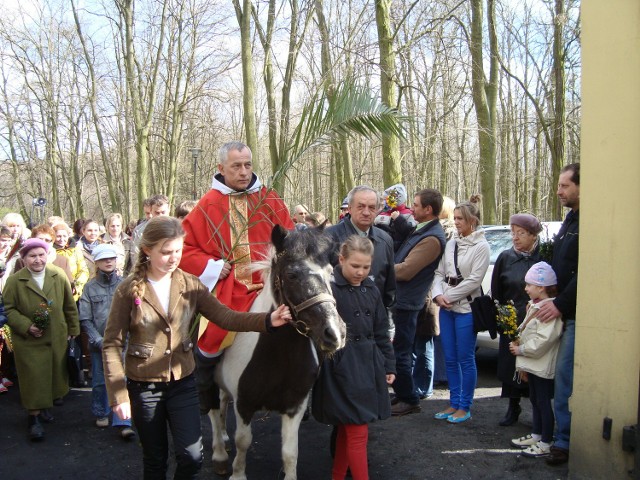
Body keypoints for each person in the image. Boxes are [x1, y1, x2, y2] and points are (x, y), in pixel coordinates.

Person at [102, 216, 291, 479]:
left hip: (183, 383)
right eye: (166, 252)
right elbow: (112, 343)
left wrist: (267, 320)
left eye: (178, 251)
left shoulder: (190, 284)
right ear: (147, 250)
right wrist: (118, 394)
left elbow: (226, 316)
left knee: (191, 458)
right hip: (144, 386)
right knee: (155, 460)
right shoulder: (127, 290)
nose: (174, 258)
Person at [179, 141, 294, 413]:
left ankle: (301, 388)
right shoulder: (208, 204)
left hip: (273, 286)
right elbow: (183, 248)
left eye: (247, 165)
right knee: (214, 336)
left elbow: (291, 236)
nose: (244, 172)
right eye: (236, 166)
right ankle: (204, 385)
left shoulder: (269, 198)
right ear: (221, 168)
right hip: (232, 288)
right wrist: (211, 266)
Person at [312, 235, 396, 480]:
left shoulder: (371, 288)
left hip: (368, 364)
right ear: (341, 260)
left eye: (366, 267)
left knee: (349, 431)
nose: (361, 272)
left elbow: (381, 330)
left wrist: (389, 363)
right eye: (355, 266)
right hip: (340, 366)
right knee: (357, 431)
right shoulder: (328, 287)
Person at [3, 238, 80, 441]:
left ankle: (45, 406)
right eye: (32, 256)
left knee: (53, 374)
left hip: (55, 336)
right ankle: (33, 418)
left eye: (41, 255)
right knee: (33, 378)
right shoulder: (15, 281)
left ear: (47, 255)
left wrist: (73, 328)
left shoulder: (58, 274)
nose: (38, 260)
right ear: (24, 258)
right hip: (28, 340)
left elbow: (69, 306)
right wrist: (26, 325)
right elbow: (8, 309)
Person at [535, 163, 580, 466]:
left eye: (565, 185)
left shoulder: (590, 221)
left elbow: (585, 270)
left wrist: (561, 303)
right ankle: (551, 434)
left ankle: (563, 442)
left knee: (564, 379)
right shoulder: (569, 219)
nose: (559, 191)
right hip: (559, 309)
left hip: (573, 313)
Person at [432, 196, 490, 423]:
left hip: (466, 309)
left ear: (472, 221)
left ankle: (464, 406)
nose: (455, 222)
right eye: (454, 218)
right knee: (450, 357)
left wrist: (448, 296)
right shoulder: (451, 243)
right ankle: (453, 402)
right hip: (446, 308)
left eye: (460, 219)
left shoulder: (482, 246)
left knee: (465, 358)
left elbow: (474, 280)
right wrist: (438, 295)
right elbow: (439, 273)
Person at [390, 189, 446, 416]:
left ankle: (410, 399)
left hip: (408, 301)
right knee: (401, 350)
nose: (411, 209)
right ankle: (403, 394)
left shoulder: (432, 238)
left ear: (428, 209)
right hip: (403, 299)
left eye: (415, 205)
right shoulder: (421, 230)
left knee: (401, 352)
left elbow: (406, 270)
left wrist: (377, 269)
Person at [78, 244, 135, 440]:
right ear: (96, 263)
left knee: (124, 379)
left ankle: (123, 420)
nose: (108, 262)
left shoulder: (126, 284)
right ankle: (101, 411)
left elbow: (135, 313)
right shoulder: (89, 287)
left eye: (111, 258)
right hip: (99, 343)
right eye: (104, 259)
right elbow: (85, 318)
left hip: (124, 342)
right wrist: (97, 339)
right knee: (100, 381)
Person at [491, 213, 542, 426]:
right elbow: (496, 291)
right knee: (511, 366)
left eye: (521, 233)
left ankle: (539, 412)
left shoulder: (542, 258)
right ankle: (513, 407)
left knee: (535, 365)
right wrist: (503, 319)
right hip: (511, 320)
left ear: (533, 236)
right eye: (513, 233)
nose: (515, 237)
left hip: (536, 321)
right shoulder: (505, 257)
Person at [509, 261, 563, 458]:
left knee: (542, 401)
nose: (526, 288)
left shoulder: (548, 310)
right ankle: (537, 434)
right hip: (533, 363)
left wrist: (521, 349)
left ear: (541, 287)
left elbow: (544, 340)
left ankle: (546, 442)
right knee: (534, 398)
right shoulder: (535, 305)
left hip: (541, 364)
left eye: (529, 285)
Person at [326, 186, 396, 311]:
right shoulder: (328, 238)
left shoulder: (385, 240)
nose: (366, 212)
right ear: (350, 208)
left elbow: (389, 286)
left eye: (371, 208)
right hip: (340, 318)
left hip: (374, 319)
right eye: (361, 206)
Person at [53, 222, 90, 302]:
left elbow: (83, 271)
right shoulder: (51, 252)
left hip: (76, 292)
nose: (62, 239)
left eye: (64, 236)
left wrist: (76, 287)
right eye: (58, 236)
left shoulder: (75, 250)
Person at [374, 183, 417, 251]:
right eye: (385, 199)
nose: (385, 202)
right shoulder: (381, 212)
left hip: (398, 250)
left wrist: (398, 219)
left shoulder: (408, 214)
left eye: (387, 200)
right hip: (378, 247)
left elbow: (410, 231)